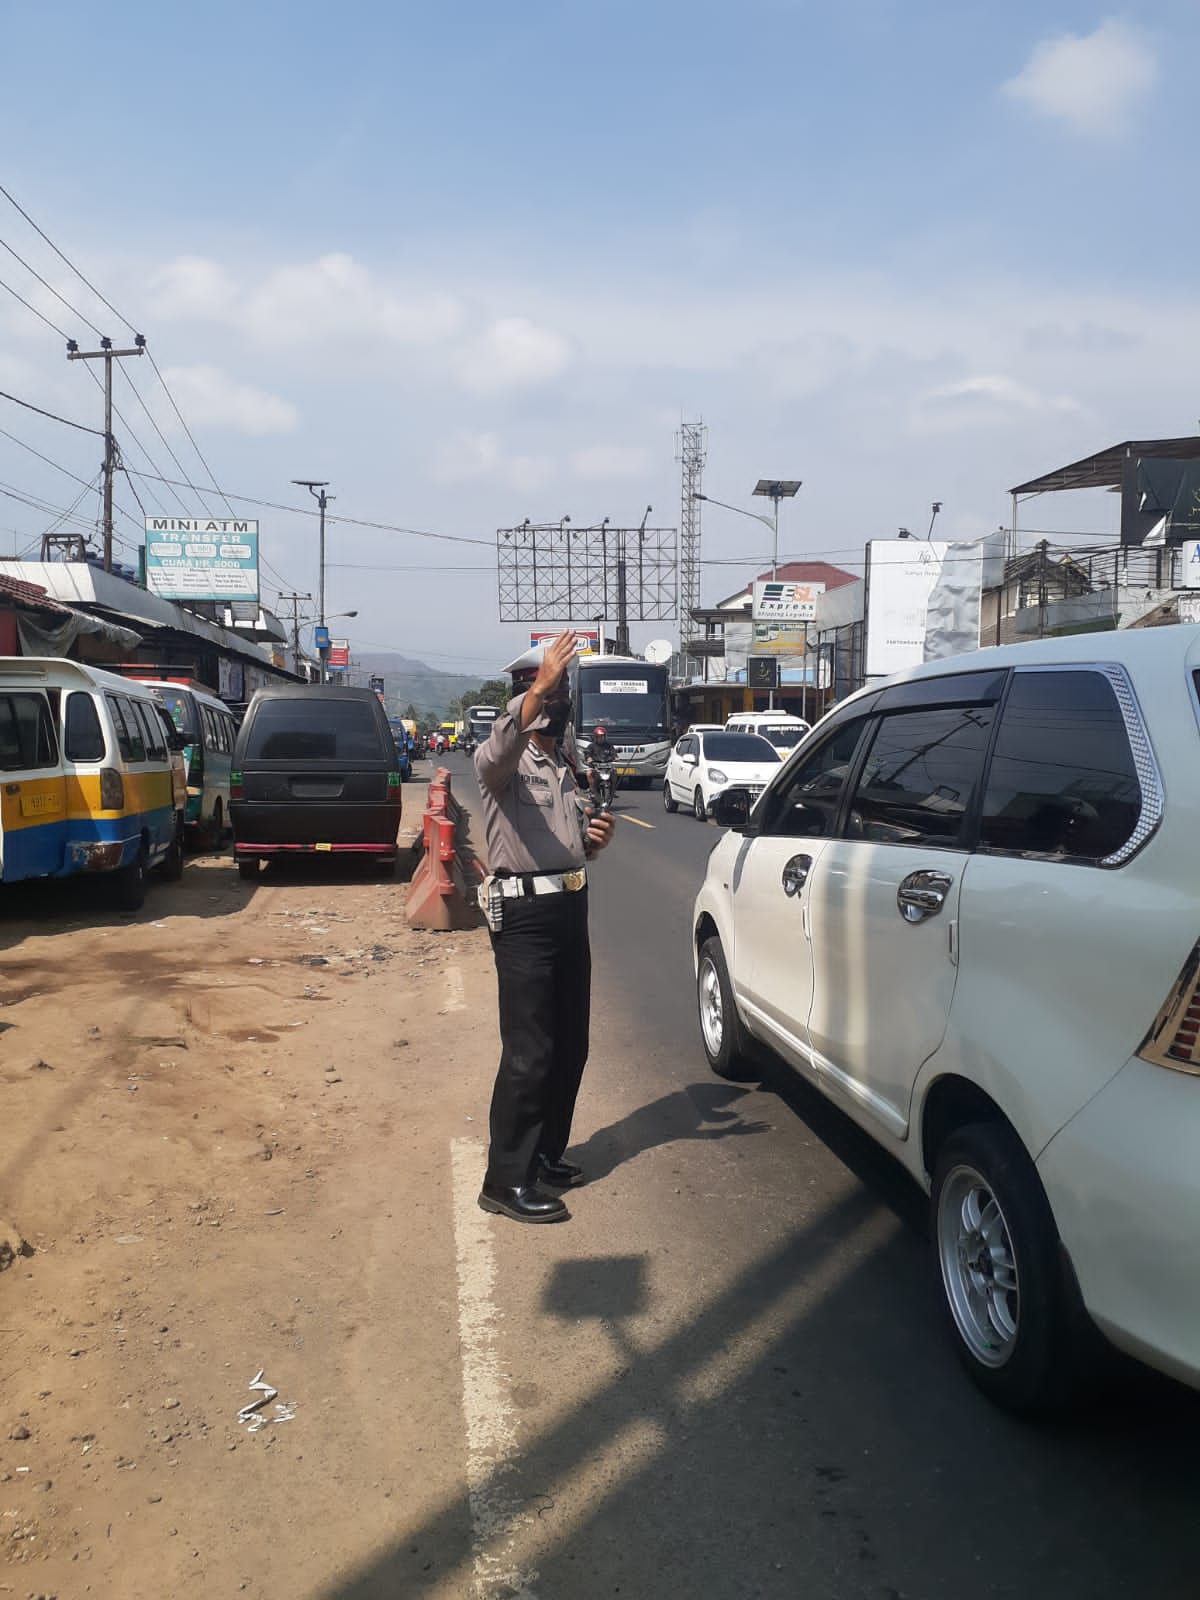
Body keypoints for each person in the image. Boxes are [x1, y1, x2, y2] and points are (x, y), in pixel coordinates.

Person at [474, 630, 615, 1223]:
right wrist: (538, 687)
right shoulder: (503, 760)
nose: (558, 707)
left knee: (570, 1044)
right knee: (530, 1052)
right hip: (525, 919)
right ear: (530, 694)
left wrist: (592, 843)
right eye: (550, 697)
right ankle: (505, 1181)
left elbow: (567, 842)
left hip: (568, 908)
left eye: (561, 697)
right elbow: (499, 747)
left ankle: (545, 1154)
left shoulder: (565, 761)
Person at [586, 724, 617, 799]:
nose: (601, 738)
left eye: (602, 737)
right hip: (595, 766)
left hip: (607, 766)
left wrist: (615, 757)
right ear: (595, 737)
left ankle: (613, 790)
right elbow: (587, 753)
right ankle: (592, 789)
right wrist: (589, 758)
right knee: (588, 773)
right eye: (599, 737)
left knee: (615, 772)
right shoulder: (591, 746)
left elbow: (613, 753)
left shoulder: (609, 745)